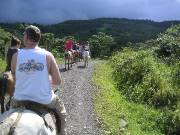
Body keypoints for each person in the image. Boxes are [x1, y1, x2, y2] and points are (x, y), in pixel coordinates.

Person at [10, 25, 66, 135]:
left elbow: (15, 79)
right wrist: (44, 80)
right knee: (62, 114)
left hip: (19, 99)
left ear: (26, 38)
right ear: (38, 39)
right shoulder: (48, 55)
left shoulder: (15, 56)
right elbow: (57, 81)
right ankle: (62, 132)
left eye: (24, 35)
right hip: (44, 100)